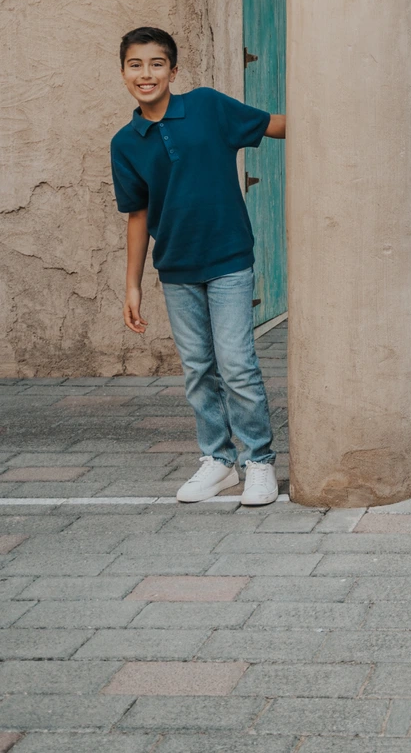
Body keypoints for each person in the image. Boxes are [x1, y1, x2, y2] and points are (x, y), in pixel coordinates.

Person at [110, 26, 287, 506]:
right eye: (136, 65)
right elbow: (139, 215)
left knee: (237, 365)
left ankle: (259, 462)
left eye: (156, 64)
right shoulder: (126, 142)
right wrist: (133, 286)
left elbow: (280, 125)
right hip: (176, 269)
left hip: (228, 259)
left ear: (172, 69)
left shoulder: (208, 107)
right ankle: (218, 460)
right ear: (123, 71)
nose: (146, 74)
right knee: (197, 370)